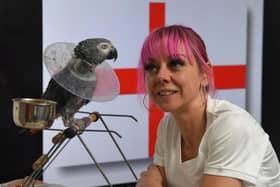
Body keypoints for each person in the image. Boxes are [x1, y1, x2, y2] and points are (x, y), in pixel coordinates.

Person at [135, 24, 280, 187]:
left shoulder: (232, 126)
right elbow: (156, 172)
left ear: (205, 74)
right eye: (151, 67)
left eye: (175, 63)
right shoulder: (168, 126)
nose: (161, 76)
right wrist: (152, 178)